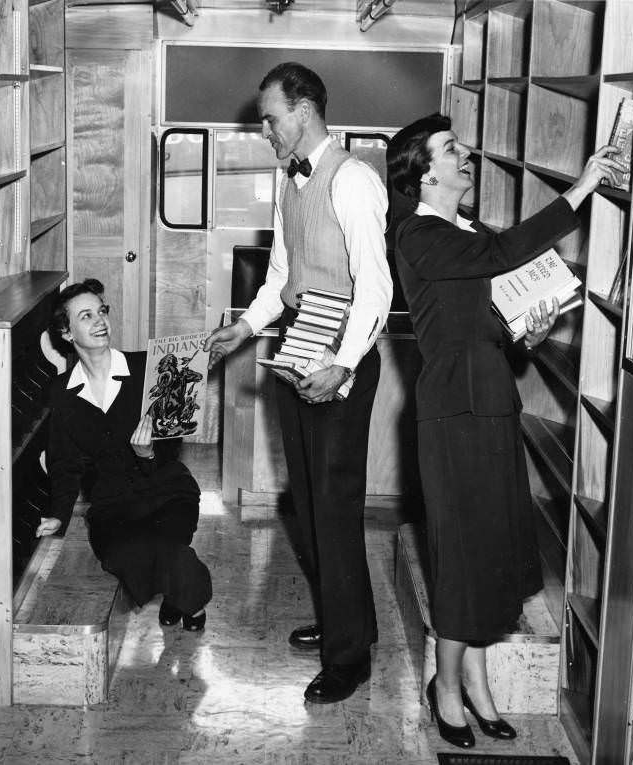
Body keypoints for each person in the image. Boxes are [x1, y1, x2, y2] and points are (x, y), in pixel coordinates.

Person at [385, 114, 623, 746]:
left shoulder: (467, 233)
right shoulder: (416, 232)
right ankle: (447, 686)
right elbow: (498, 257)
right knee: (462, 552)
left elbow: (491, 327)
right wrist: (581, 189)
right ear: (424, 171)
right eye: (452, 150)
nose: (466, 158)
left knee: (491, 547)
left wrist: (533, 328)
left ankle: (479, 685)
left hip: (492, 402)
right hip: (452, 412)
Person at [204, 62, 392, 703]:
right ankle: (350, 622)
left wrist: (343, 364)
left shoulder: (355, 179)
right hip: (296, 349)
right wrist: (248, 327)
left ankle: (350, 660)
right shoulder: (289, 180)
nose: (265, 130)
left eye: (271, 118)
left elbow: (376, 286)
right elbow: (282, 275)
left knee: (334, 510)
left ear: (305, 111)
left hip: (340, 358)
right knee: (309, 508)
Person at [36, 279, 212, 631]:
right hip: (112, 503)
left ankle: (186, 598)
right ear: (66, 332)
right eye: (85, 316)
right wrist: (58, 515)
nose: (100, 321)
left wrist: (147, 454)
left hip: (165, 490)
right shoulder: (62, 393)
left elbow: (171, 446)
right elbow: (64, 463)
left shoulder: (150, 369)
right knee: (120, 555)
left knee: (163, 543)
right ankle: (181, 591)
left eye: (101, 311)